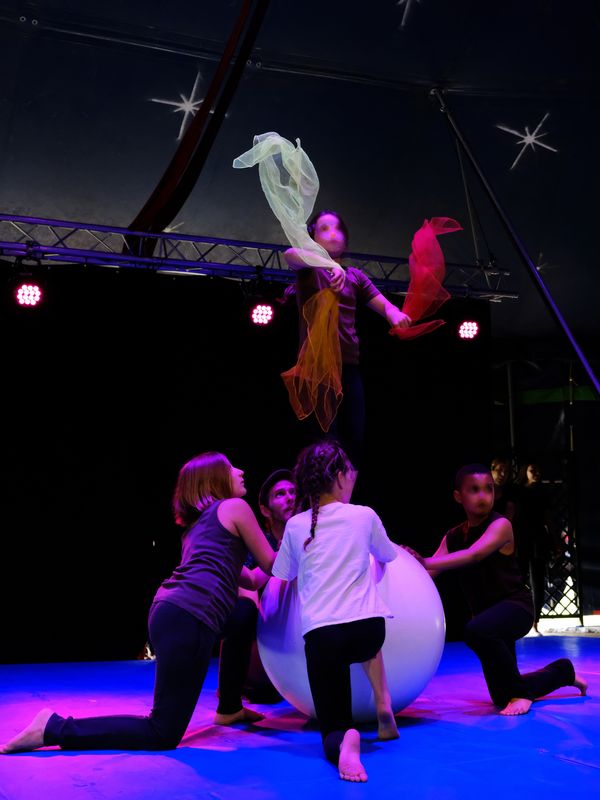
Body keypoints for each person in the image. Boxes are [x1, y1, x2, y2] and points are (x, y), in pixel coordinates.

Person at [1, 452, 276, 753]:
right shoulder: (235, 507)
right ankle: (54, 728)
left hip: (170, 611)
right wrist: (299, 535)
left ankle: (230, 707)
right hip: (189, 616)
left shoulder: (196, 530)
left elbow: (252, 579)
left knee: (244, 611)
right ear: (213, 479)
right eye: (230, 467)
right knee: (162, 732)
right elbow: (272, 563)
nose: (240, 471)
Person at [272, 439, 399, 783]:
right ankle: (383, 701)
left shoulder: (296, 525)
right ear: (341, 477)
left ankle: (345, 739)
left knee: (332, 729)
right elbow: (387, 556)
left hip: (323, 636)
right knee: (361, 627)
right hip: (369, 632)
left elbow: (283, 575)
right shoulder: (364, 515)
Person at [416, 464, 586, 716]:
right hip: (490, 619)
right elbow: (427, 573)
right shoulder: (453, 536)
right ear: (458, 496)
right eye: (474, 490)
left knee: (475, 631)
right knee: (501, 696)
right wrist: (408, 568)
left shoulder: (501, 525)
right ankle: (563, 672)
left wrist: (426, 561)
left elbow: (474, 554)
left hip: (515, 608)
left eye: (488, 489)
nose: (483, 495)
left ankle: (521, 694)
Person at [283, 210, 410, 468]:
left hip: (349, 368)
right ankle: (320, 490)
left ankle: (346, 492)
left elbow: (385, 305)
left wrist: (394, 314)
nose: (333, 233)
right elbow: (290, 255)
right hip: (317, 369)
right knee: (323, 442)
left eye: (337, 228)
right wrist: (329, 265)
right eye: (324, 228)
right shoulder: (310, 270)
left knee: (354, 438)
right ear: (313, 238)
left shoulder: (355, 276)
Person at [215, 469, 295, 717]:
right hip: (266, 633)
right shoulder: (259, 544)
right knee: (264, 693)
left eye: (293, 492)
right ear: (265, 510)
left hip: (299, 631)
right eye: (280, 494)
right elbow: (247, 584)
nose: (289, 498)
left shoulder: (309, 537)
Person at [514, 461, 561, 633]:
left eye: (538, 470)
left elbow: (547, 518)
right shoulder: (518, 491)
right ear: (524, 472)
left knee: (537, 580)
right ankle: (520, 617)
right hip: (522, 538)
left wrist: (555, 541)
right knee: (519, 578)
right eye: (532, 470)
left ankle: (535, 620)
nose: (536, 473)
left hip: (537, 539)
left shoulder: (542, 492)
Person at [491, 456, 517, 521]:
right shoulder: (480, 490)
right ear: (492, 470)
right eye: (499, 470)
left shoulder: (509, 493)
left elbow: (508, 517)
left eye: (506, 471)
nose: (503, 474)